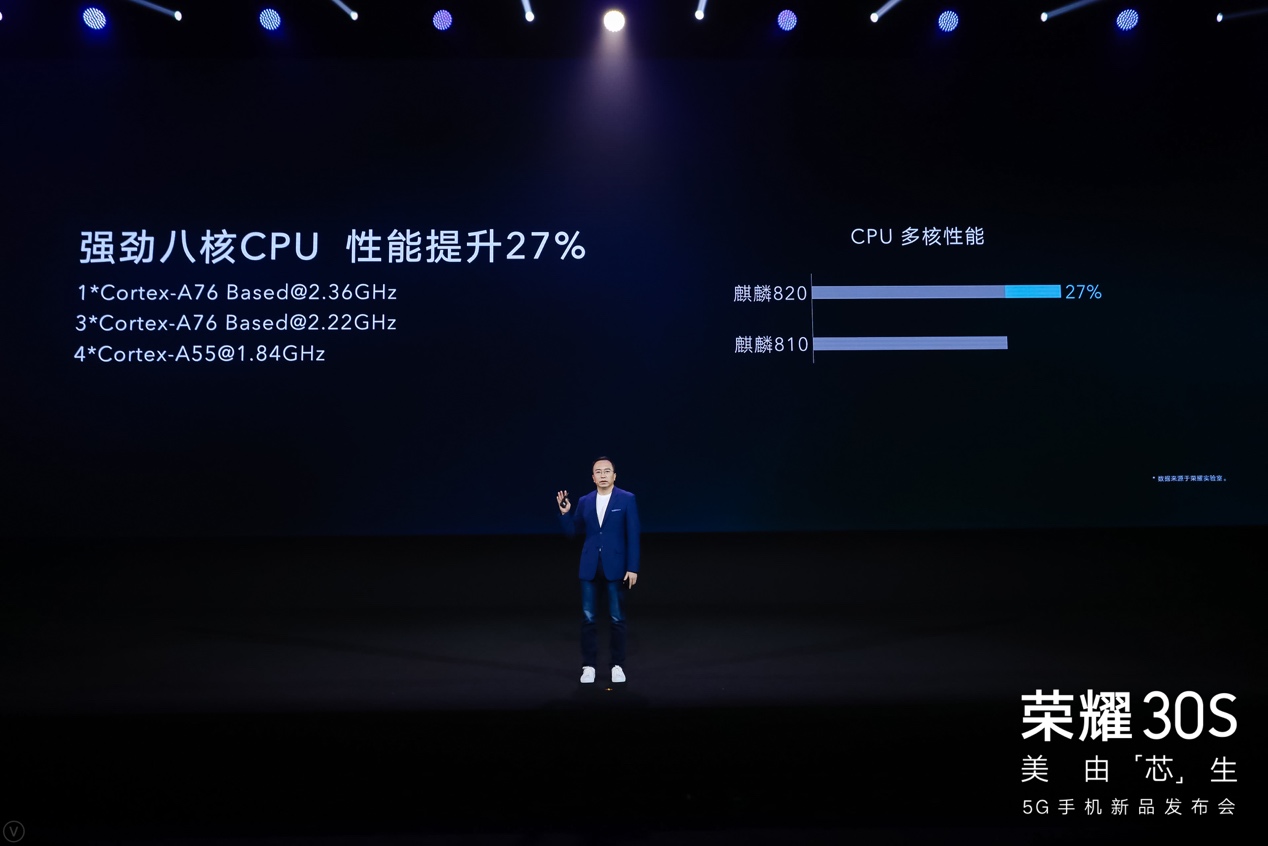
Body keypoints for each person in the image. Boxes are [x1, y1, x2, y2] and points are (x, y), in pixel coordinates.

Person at [556, 456, 640, 684]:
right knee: (588, 619)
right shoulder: (584, 501)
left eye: (607, 471)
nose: (603, 475)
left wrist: (633, 567)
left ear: (614, 475)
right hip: (589, 567)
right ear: (593, 477)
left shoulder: (627, 499)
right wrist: (565, 513)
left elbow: (633, 535)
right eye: (598, 472)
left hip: (616, 567)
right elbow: (572, 532)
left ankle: (617, 665)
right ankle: (589, 666)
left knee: (617, 618)